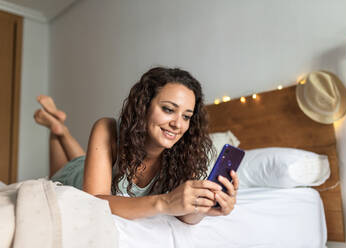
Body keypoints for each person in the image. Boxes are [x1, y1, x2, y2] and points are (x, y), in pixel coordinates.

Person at [33, 67, 239, 225]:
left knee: (85, 158)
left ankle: (59, 127)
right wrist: (164, 202)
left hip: (93, 164)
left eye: (186, 116)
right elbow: (94, 202)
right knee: (57, 173)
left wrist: (204, 208)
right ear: (144, 106)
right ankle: (56, 129)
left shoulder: (183, 154)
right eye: (168, 109)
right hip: (75, 178)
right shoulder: (107, 127)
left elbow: (184, 217)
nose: (178, 124)